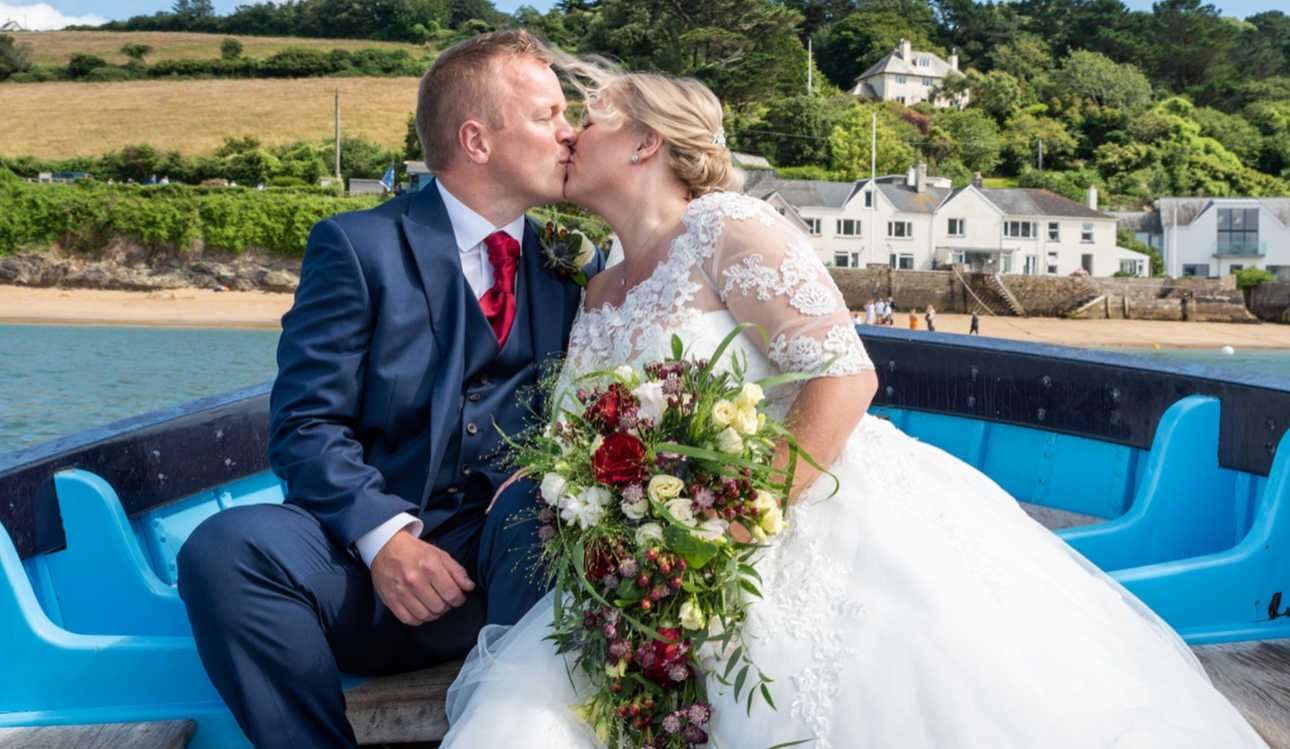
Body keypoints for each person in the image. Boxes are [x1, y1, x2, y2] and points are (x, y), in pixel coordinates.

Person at [438, 60, 1268, 749]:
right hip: (648, 556)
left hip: (784, 513)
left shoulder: (728, 227)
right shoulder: (599, 284)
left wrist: (729, 526)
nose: (572, 134)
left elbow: (845, 375)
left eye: (593, 116)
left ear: (648, 139)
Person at [176, 30, 602, 749]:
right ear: (477, 139)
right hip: (360, 575)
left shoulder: (573, 266)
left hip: (507, 573)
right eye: (548, 115)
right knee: (223, 549)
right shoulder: (357, 247)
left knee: (546, 500)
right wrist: (387, 541)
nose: (570, 135)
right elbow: (306, 423)